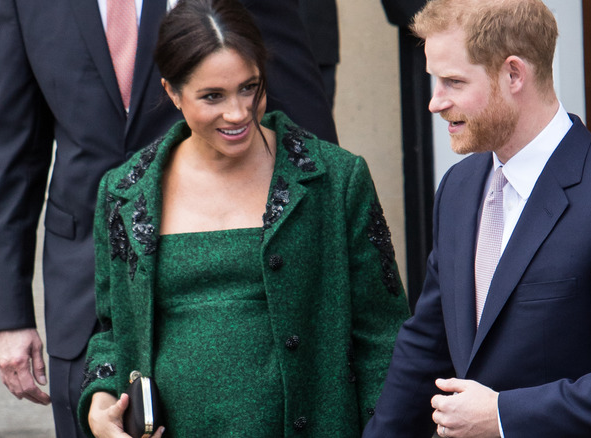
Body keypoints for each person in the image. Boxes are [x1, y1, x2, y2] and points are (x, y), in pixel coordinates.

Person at [0, 0, 336, 436]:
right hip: (80, 289)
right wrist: (11, 316)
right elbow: (12, 154)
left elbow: (305, 134)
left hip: (218, 297)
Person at [76, 0, 410, 436]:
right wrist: (100, 403)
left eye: (249, 87)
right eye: (212, 96)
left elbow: (383, 335)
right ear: (173, 92)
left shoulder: (335, 179)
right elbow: (113, 331)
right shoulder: (123, 192)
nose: (238, 113)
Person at [363, 0, 591, 437]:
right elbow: (428, 343)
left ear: (514, 74)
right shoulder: (459, 188)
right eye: (434, 82)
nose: (435, 103)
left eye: (453, 82)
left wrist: (503, 415)